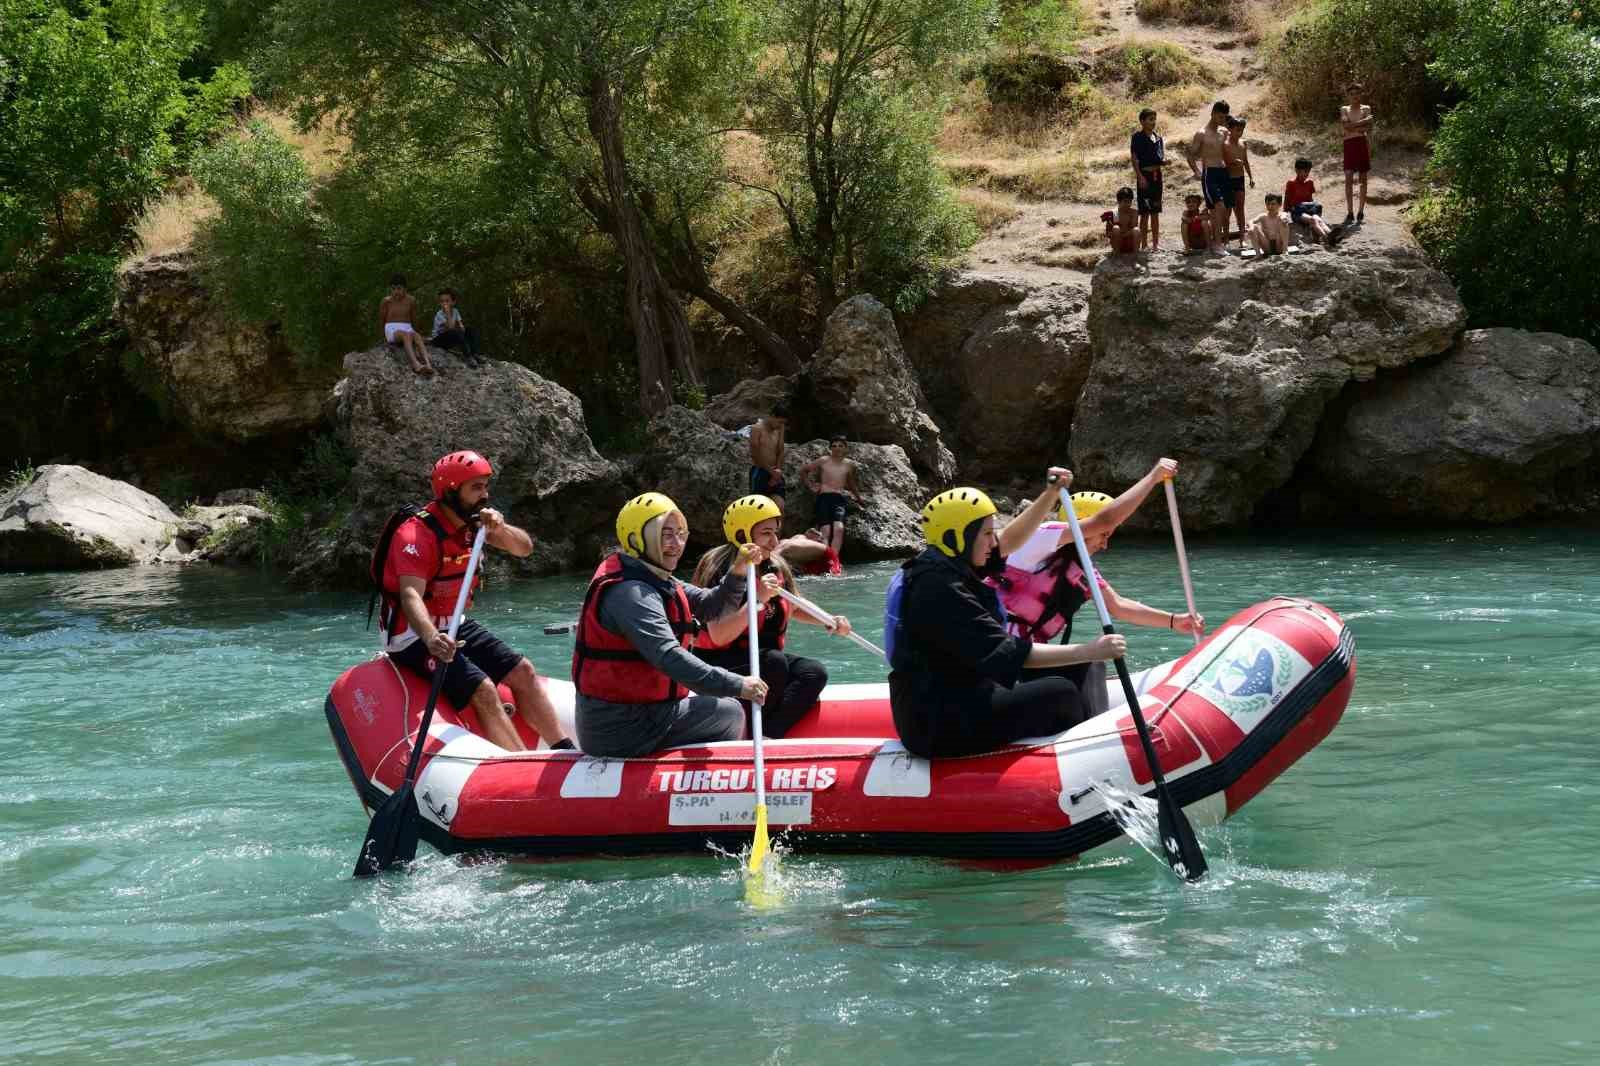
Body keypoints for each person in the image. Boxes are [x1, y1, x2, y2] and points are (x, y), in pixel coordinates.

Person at [884, 472, 1127, 760]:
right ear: (957, 537)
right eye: (987, 533)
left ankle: (1101, 744)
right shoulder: (939, 589)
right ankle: (1087, 763)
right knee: (1061, 693)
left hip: (965, 692)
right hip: (939, 721)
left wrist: (1050, 493)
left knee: (1086, 668)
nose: (993, 541)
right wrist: (1090, 649)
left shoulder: (953, 563)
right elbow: (1010, 651)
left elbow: (1010, 540)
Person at [375, 450, 569, 751]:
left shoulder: (474, 525)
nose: (485, 495)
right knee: (484, 689)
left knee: (523, 671)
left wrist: (500, 529)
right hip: (412, 635)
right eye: (476, 488)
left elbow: (524, 548)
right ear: (451, 491)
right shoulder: (414, 535)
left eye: (485, 486)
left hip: (454, 622)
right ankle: (523, 765)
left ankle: (564, 750)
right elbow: (410, 594)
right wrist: (432, 638)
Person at [991, 458, 1204, 712]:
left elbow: (1119, 606)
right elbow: (1103, 520)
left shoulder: (1082, 570)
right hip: (999, 653)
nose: (1105, 544)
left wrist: (1174, 620)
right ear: (1080, 524)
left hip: (1028, 656)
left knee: (1091, 664)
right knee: (1090, 660)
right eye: (1104, 535)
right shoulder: (1039, 539)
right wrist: (1153, 478)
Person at [572, 492, 771, 757]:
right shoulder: (630, 592)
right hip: (621, 728)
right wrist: (736, 684)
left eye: (681, 534)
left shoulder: (656, 578)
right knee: (729, 712)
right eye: (666, 535)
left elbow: (712, 607)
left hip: (641, 714)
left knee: (723, 705)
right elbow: (668, 656)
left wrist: (737, 570)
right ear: (636, 539)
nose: (676, 544)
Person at [691, 495, 854, 738]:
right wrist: (758, 600)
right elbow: (719, 635)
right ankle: (743, 731)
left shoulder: (774, 564)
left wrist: (829, 620)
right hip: (717, 659)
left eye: (776, 532)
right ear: (742, 534)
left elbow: (795, 606)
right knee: (774, 663)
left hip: (763, 657)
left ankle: (769, 734)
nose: (775, 541)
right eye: (766, 533)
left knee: (813, 673)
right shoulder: (719, 567)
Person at [798, 438, 862, 556]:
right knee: (825, 531)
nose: (837, 448)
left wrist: (859, 498)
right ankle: (826, 558)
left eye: (840, 446)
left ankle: (834, 560)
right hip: (824, 498)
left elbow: (851, 483)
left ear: (845, 449)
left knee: (839, 529)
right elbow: (804, 470)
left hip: (838, 499)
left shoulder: (849, 465)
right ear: (830, 448)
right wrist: (811, 485)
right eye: (834, 446)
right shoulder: (823, 460)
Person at [1186, 100, 1232, 252]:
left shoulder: (1224, 132)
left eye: (1224, 117)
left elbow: (1233, 144)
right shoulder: (1201, 134)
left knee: (1223, 210)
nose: (1221, 120)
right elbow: (1190, 154)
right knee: (1218, 207)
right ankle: (1217, 245)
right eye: (1219, 116)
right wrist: (1197, 172)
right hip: (1210, 174)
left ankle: (1217, 241)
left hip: (1223, 173)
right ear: (1212, 113)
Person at [378, 274, 435, 376]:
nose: (396, 291)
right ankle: (415, 364)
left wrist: (416, 331)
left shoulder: (411, 300)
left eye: (399, 288)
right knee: (405, 335)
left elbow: (413, 319)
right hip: (392, 328)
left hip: (407, 327)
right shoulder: (386, 301)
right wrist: (383, 336)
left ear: (405, 289)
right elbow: (382, 320)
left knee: (416, 336)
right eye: (393, 289)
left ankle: (428, 364)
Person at [1130, 108, 1165, 251]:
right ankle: (1144, 244)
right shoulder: (1137, 137)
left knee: (1155, 211)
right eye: (1150, 119)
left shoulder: (1158, 138)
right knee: (1144, 212)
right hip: (1144, 177)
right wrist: (1140, 177)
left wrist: (1165, 162)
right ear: (1142, 121)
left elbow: (1160, 156)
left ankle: (1156, 244)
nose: (1153, 122)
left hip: (1157, 177)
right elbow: (1134, 158)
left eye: (1154, 119)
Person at [1285, 158, 1339, 245]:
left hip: (1308, 209)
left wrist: (1313, 208)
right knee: (1313, 220)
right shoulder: (1291, 183)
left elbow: (1310, 199)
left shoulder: (1310, 182)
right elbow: (1287, 200)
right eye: (1305, 171)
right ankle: (1326, 238)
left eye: (1308, 171)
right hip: (1297, 212)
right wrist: (1285, 213)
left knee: (1318, 219)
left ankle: (1330, 234)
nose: (1307, 174)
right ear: (1297, 170)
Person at [1340, 84, 1374, 224]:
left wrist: (1354, 126)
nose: (1355, 96)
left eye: (1357, 93)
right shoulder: (1344, 109)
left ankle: (1360, 211)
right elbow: (1345, 126)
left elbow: (1368, 127)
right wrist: (1364, 121)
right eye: (1352, 93)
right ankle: (1350, 212)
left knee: (1363, 179)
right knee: (1348, 178)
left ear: (1361, 94)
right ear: (1348, 95)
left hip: (1362, 144)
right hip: (1349, 145)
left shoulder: (1366, 108)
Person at [431, 288, 484, 368]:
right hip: (439, 340)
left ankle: (475, 353)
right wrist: (448, 312)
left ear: (453, 302)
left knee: (471, 330)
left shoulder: (455, 311)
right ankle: (468, 356)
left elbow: (460, 324)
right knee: (455, 332)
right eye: (442, 301)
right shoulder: (440, 315)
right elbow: (451, 327)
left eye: (447, 301)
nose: (444, 304)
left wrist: (462, 328)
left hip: (450, 337)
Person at [1224, 116, 1255, 252]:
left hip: (1240, 178)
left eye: (1242, 130)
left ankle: (1242, 238)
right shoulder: (1224, 144)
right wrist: (1232, 163)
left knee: (1240, 208)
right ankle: (1225, 239)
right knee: (1228, 210)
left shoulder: (1243, 143)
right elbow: (1222, 163)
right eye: (1237, 130)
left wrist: (1251, 177)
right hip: (1228, 179)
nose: (1240, 133)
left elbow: (1246, 161)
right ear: (1230, 129)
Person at [749, 403, 788, 501]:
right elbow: (755, 455)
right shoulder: (756, 429)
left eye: (783, 423)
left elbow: (781, 449)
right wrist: (771, 472)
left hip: (775, 471)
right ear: (772, 416)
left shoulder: (779, 429)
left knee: (779, 506)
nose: (780, 425)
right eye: (779, 422)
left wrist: (778, 471)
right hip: (760, 471)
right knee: (758, 506)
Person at [1104, 188, 1140, 255]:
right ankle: (1117, 254)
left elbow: (1134, 228)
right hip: (1118, 243)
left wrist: (1123, 235)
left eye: (1129, 201)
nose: (1128, 204)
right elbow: (1108, 233)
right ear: (1119, 201)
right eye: (1125, 201)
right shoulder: (1112, 213)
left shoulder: (1134, 213)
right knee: (1116, 228)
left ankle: (1136, 255)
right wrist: (1115, 234)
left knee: (1136, 230)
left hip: (1130, 243)